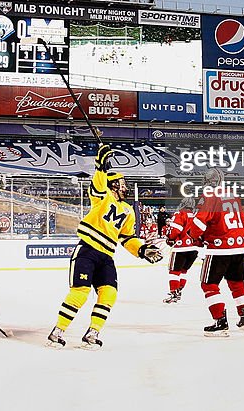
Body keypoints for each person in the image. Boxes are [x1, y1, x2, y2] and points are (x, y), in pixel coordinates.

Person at [47, 141, 163, 349]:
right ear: (114, 185)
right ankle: (58, 331)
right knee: (80, 292)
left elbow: (127, 238)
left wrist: (143, 249)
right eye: (122, 183)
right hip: (87, 251)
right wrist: (101, 166)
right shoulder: (102, 197)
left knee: (109, 293)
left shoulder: (128, 210)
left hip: (106, 256)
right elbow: (98, 184)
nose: (125, 186)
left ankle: (92, 332)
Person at [175, 169, 244, 336]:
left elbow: (200, 221)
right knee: (236, 283)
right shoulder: (233, 195)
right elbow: (242, 220)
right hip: (239, 246)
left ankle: (220, 321)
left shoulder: (209, 195)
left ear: (208, 181)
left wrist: (194, 237)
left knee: (208, 284)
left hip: (220, 248)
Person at [162, 197, 200, 303]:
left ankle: (174, 293)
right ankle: (178, 291)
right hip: (194, 248)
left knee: (174, 271)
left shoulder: (180, 214)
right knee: (184, 271)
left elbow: (175, 230)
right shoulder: (196, 215)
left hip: (181, 248)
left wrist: (170, 238)